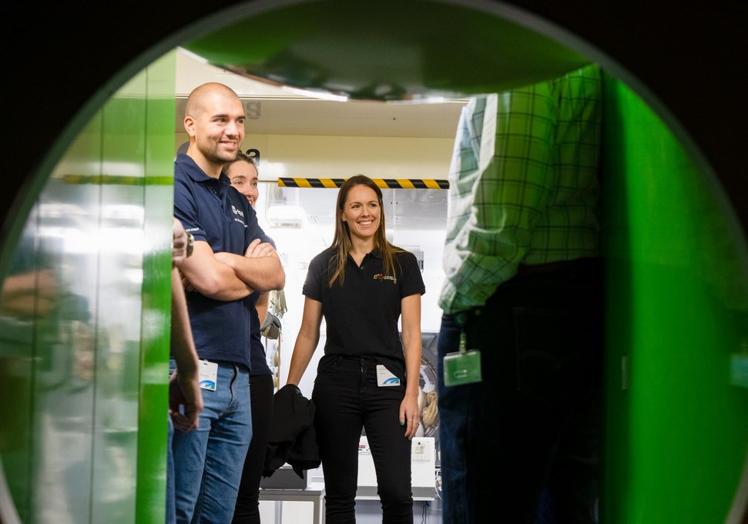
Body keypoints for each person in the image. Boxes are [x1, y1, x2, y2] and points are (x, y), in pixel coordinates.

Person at [437, 64, 603, 524]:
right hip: (569, 305)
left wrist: (456, 299)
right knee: (564, 500)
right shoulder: (585, 59)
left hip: (512, 307)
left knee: (482, 501)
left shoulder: (522, 58)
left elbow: (502, 215)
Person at [172, 82, 285, 523]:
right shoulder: (175, 183)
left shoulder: (237, 198)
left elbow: (275, 274)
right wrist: (237, 272)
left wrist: (226, 262)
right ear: (191, 123)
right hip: (192, 370)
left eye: (239, 120)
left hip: (240, 380)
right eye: (221, 120)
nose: (232, 130)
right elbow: (204, 278)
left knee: (219, 516)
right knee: (180, 510)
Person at [286, 174, 425, 524]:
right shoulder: (323, 264)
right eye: (356, 205)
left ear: (381, 210)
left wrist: (412, 392)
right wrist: (288, 388)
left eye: (373, 204)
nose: (366, 213)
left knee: (396, 492)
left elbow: (410, 334)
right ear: (343, 214)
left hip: (388, 384)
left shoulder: (402, 263)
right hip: (337, 382)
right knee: (339, 495)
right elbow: (307, 332)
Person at [226, 153, 276, 524]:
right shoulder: (209, 228)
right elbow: (205, 279)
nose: (250, 190)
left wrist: (226, 266)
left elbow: (271, 282)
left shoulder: (260, 237)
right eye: (240, 180)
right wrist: (249, 269)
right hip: (213, 367)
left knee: (246, 496)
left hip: (254, 373)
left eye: (254, 181)